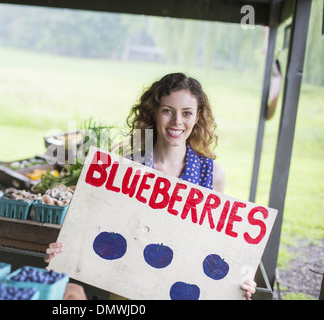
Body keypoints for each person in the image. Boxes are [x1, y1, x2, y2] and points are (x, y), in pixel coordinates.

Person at [45, 72, 257, 300]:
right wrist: (62, 253)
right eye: (167, 110)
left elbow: (211, 245)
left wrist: (236, 280)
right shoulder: (128, 167)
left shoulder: (212, 174)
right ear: (154, 113)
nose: (177, 121)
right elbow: (102, 230)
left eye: (187, 113)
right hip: (126, 289)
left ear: (197, 118)